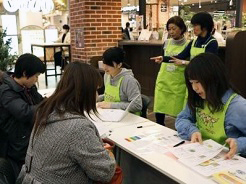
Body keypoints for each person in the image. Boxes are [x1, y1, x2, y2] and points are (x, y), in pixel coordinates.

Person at [17, 62, 116, 183]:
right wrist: (108, 153)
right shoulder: (79, 128)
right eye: (95, 90)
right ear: (85, 91)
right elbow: (105, 173)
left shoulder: (46, 110)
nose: (96, 95)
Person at [175, 53, 246, 159]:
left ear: (214, 79)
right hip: (201, 156)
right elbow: (182, 118)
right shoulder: (198, 99)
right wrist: (192, 131)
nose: (194, 88)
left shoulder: (238, 106)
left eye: (198, 82)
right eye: (191, 83)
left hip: (227, 161)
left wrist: (239, 144)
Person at [0, 53, 45, 180]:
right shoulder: (6, 91)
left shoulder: (28, 87)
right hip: (15, 147)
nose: (36, 80)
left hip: (27, 139)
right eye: (36, 76)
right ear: (25, 73)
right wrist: (48, 106)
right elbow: (25, 112)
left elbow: (40, 102)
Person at [150, 16, 189, 125]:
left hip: (178, 82)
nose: (171, 31)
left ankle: (179, 130)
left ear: (182, 29)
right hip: (164, 79)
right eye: (169, 29)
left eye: (174, 28)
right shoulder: (166, 43)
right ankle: (160, 126)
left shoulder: (188, 44)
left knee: (178, 109)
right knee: (160, 106)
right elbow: (163, 57)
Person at [153, 12, 218, 65]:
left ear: (204, 26)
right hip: (194, 76)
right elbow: (180, 57)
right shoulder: (194, 42)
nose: (193, 28)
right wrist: (163, 58)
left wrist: (184, 62)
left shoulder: (212, 42)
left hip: (205, 78)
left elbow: (206, 64)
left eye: (195, 25)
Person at [97, 47, 142, 114]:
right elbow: (109, 96)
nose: (105, 67)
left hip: (128, 117)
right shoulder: (107, 75)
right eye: (104, 63)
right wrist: (97, 98)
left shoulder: (129, 81)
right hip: (111, 114)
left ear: (119, 65)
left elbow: (137, 105)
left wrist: (110, 105)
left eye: (109, 65)